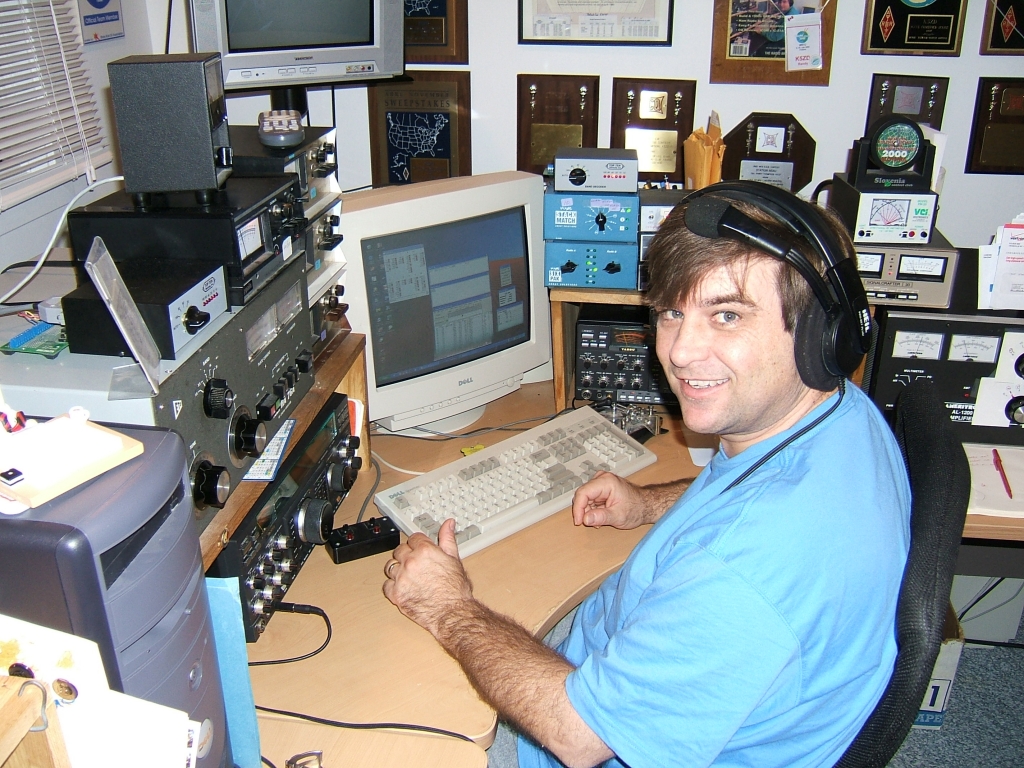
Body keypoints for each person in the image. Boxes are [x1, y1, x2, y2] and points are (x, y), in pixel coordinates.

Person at [381, 184, 911, 768]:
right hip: (654, 674)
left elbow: (579, 737)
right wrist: (649, 504)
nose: (680, 352)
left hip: (580, 729)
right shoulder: (845, 418)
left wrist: (449, 608)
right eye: (671, 313)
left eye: (727, 315)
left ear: (819, 333)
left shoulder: (746, 572)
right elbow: (743, 499)